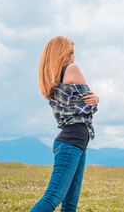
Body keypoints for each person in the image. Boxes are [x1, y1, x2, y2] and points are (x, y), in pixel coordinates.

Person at [31, 36, 99, 211]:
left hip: (75, 143)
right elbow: (89, 105)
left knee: (70, 204)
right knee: (53, 198)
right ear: (66, 52)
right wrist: (97, 98)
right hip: (71, 142)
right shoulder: (72, 69)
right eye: (72, 51)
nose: (74, 56)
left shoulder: (53, 79)